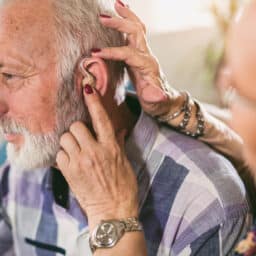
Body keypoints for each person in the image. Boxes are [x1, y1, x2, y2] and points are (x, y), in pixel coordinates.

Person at [0, 1, 250, 256]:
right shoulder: (20, 170)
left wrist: (111, 220)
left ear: (91, 80)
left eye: (10, 75)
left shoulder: (204, 207)